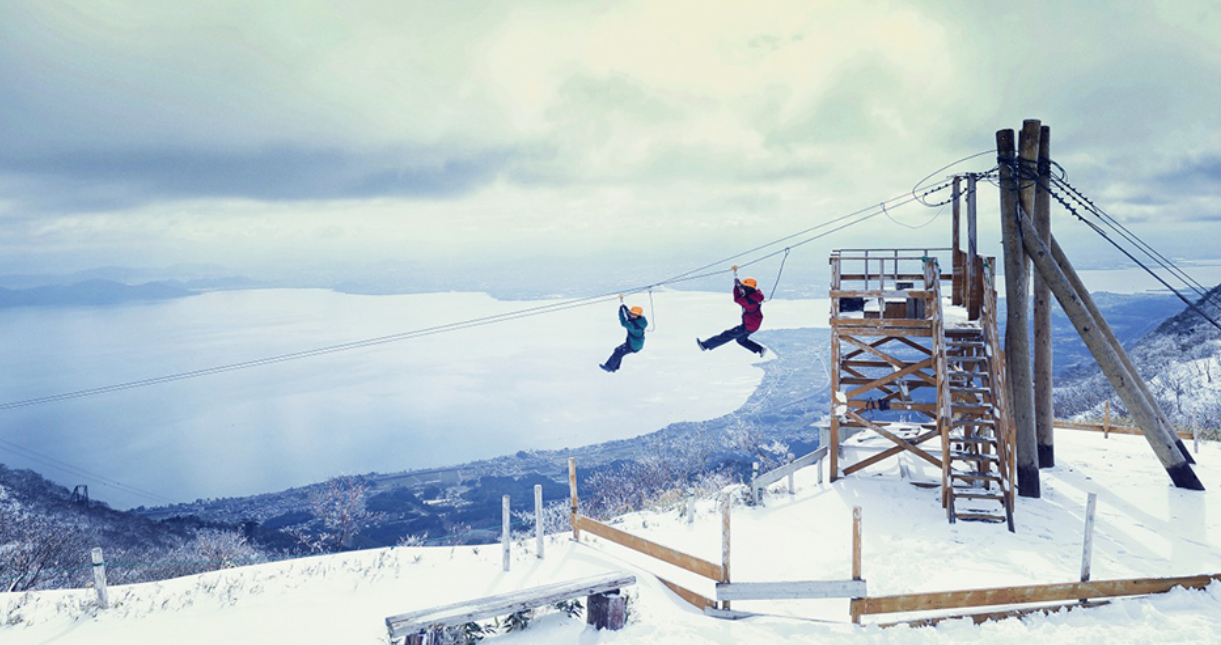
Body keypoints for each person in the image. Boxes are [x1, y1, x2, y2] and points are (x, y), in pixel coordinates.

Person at [697, 273, 766, 357]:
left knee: (727, 335)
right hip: (753, 325)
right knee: (741, 340)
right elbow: (747, 294)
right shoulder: (755, 296)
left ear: (747, 289)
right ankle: (760, 350)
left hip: (748, 326)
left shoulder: (748, 301)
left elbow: (737, 299)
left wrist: (736, 286)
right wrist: (739, 285)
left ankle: (705, 345)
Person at [600, 301, 647, 373]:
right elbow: (630, 317)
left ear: (638, 315)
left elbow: (623, 322)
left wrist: (621, 312)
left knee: (619, 351)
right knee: (618, 350)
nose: (631, 315)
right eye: (631, 314)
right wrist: (625, 309)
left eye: (633, 315)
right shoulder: (640, 320)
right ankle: (614, 367)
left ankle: (609, 367)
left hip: (634, 345)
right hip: (633, 342)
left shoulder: (634, 326)